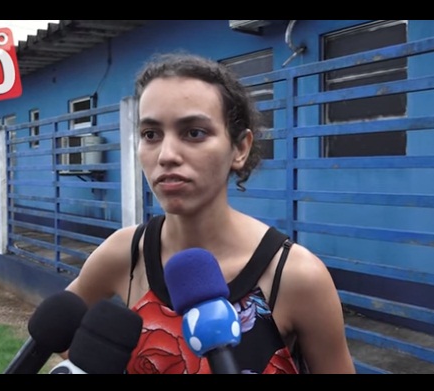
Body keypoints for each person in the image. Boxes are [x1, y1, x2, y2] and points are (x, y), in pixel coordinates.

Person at [64, 52, 356, 374]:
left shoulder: (297, 276)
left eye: (194, 133)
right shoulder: (124, 253)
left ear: (240, 148)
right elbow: (59, 332)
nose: (167, 155)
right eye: (151, 134)